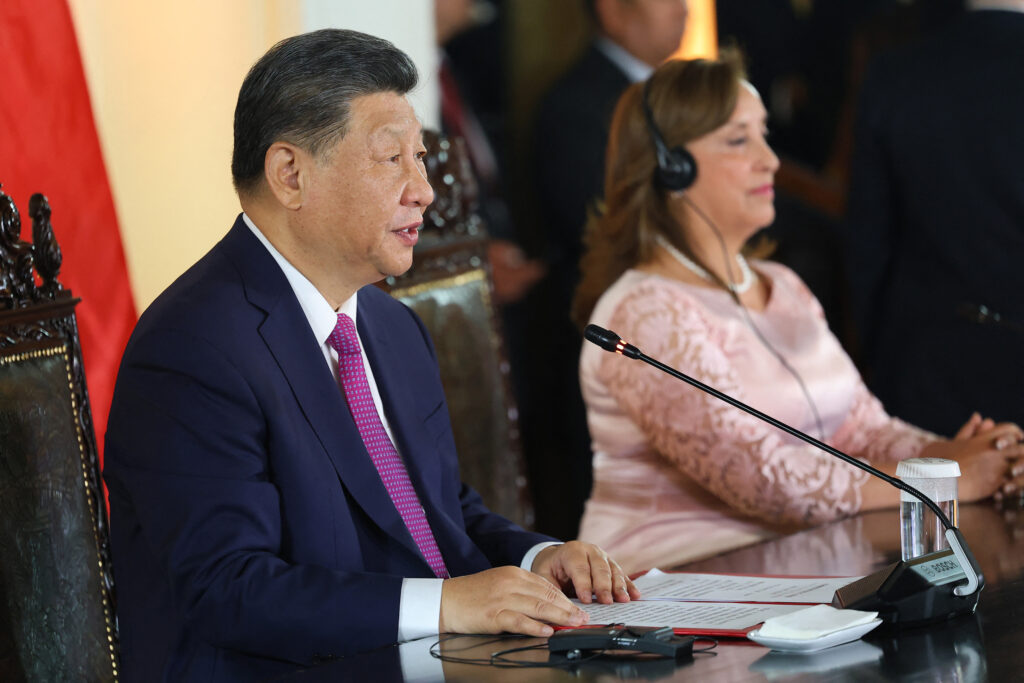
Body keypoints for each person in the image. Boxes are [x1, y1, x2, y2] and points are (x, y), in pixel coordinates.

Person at [103, 29, 638, 682]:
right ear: (291, 174)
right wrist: (447, 602)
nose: (424, 191)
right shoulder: (192, 346)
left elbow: (438, 509)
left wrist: (537, 559)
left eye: (420, 158)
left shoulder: (392, 327)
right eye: (392, 160)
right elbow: (230, 588)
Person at [572, 51, 1024, 574]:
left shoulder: (783, 286)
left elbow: (864, 429)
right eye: (739, 140)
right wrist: (946, 476)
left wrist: (967, 455)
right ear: (672, 167)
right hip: (676, 597)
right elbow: (765, 479)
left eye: (764, 135)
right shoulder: (643, 310)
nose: (770, 160)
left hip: (803, 578)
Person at [528, 0, 690, 540]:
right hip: (605, 340)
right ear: (615, 12)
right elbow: (603, 228)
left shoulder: (667, 97)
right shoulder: (577, 104)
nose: (684, 8)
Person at [843, 0, 1024, 436]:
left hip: (924, 367)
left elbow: (866, 243)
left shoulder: (896, 72)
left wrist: (879, 350)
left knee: (927, 503)